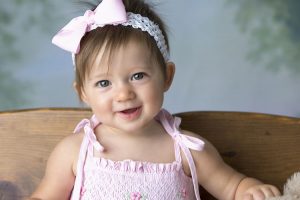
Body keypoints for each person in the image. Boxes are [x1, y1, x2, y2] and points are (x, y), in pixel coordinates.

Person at [30, 0, 281, 199]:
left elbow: (232, 186)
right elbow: (45, 196)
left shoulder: (187, 150)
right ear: (83, 93)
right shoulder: (75, 151)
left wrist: (250, 190)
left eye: (138, 76)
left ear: (166, 77)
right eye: (104, 83)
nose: (124, 94)